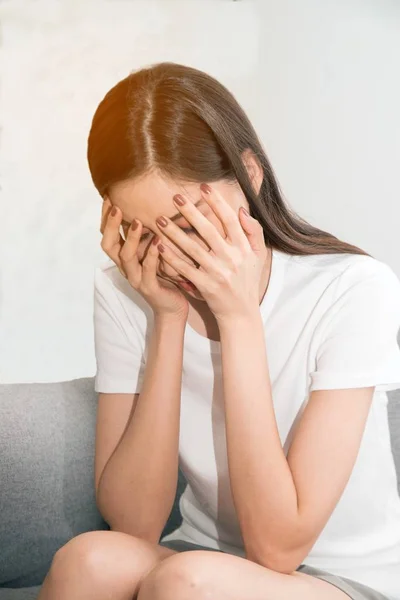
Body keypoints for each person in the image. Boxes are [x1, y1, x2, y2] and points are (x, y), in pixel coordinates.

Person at [38, 62, 400, 600]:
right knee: (87, 560)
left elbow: (279, 550)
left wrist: (237, 320)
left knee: (190, 584)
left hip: (338, 580)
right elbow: (134, 525)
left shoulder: (352, 288)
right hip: (197, 560)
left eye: (187, 225)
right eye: (143, 232)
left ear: (249, 176)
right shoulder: (123, 291)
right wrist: (166, 318)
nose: (171, 257)